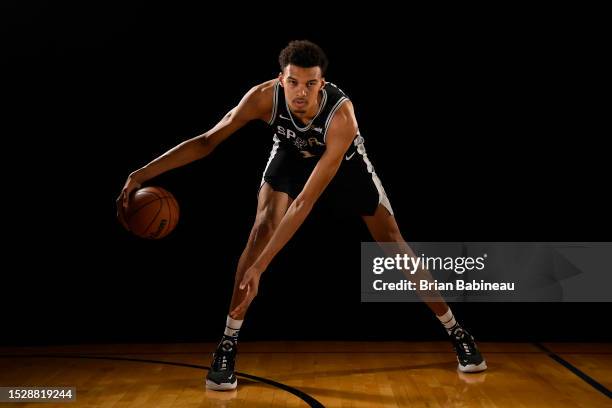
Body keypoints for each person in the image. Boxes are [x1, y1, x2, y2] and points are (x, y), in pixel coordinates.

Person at [116, 40, 487, 391]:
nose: (301, 92)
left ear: (321, 83)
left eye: (310, 84)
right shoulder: (263, 98)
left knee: (394, 244)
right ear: (281, 79)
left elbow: (303, 204)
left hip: (342, 164)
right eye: (293, 82)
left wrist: (261, 267)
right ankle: (227, 344)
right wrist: (139, 175)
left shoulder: (342, 117)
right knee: (261, 227)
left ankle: (456, 331)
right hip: (291, 155)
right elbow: (207, 140)